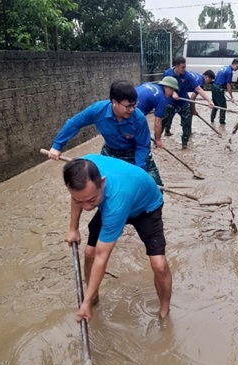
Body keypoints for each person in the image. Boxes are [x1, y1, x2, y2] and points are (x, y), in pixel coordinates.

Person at [63, 155, 172, 321]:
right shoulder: (81, 168)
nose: (86, 208)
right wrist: (73, 228)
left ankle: (165, 310)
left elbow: (103, 256)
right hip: (114, 199)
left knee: (159, 264)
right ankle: (92, 298)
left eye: (91, 200)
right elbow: (77, 198)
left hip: (146, 208)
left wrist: (82, 303)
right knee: (89, 252)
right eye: (81, 201)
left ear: (103, 182)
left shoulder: (115, 202)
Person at [48, 80, 163, 186]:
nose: (132, 110)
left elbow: (142, 146)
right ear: (114, 102)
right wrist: (57, 145)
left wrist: (138, 170)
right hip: (110, 152)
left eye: (134, 105)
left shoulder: (138, 119)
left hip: (133, 152)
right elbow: (74, 123)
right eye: (128, 107)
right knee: (101, 185)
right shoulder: (98, 110)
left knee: (154, 186)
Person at [162, 56, 214, 149]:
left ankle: (184, 144)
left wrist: (209, 101)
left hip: (183, 101)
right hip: (171, 101)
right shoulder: (168, 73)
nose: (184, 69)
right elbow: (165, 86)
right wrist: (173, 92)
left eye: (185, 67)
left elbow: (198, 89)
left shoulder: (187, 76)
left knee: (187, 123)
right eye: (183, 67)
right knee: (164, 120)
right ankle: (159, 139)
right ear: (176, 67)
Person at [136, 76, 179, 149]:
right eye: (172, 91)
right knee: (143, 141)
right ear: (167, 88)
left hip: (122, 107)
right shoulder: (161, 99)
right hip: (132, 115)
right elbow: (157, 123)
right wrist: (158, 140)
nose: (171, 94)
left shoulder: (148, 84)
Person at [211, 59, 238, 125]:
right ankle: (222, 123)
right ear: (234, 64)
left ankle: (212, 120)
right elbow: (228, 85)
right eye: (237, 67)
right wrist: (231, 97)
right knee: (223, 106)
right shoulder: (229, 72)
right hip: (219, 88)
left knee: (215, 105)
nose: (237, 69)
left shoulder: (225, 67)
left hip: (214, 87)